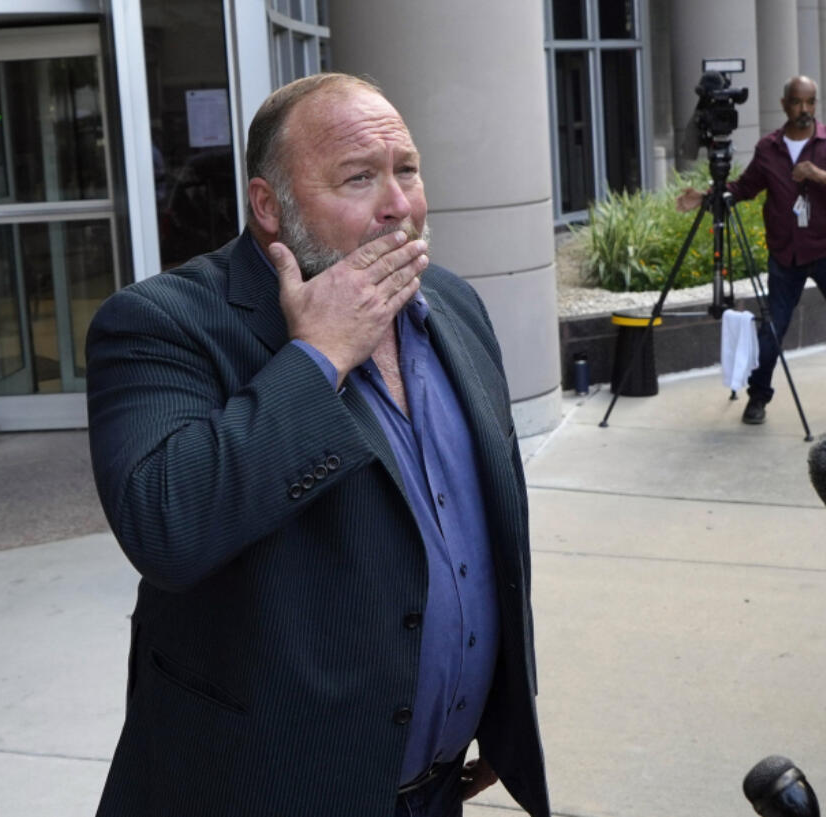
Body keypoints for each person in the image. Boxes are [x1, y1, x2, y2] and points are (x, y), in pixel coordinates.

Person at [85, 73, 549, 817]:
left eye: (407, 170)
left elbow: (488, 527)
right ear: (270, 206)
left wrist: (497, 705)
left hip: (435, 789)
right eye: (358, 178)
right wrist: (319, 358)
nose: (398, 204)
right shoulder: (162, 325)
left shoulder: (455, 305)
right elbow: (168, 524)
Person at [677, 75, 826, 425]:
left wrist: (821, 175)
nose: (804, 109)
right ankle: (758, 397)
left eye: (810, 102)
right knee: (772, 329)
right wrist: (709, 197)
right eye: (798, 102)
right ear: (785, 104)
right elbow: (745, 187)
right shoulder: (769, 148)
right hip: (786, 256)